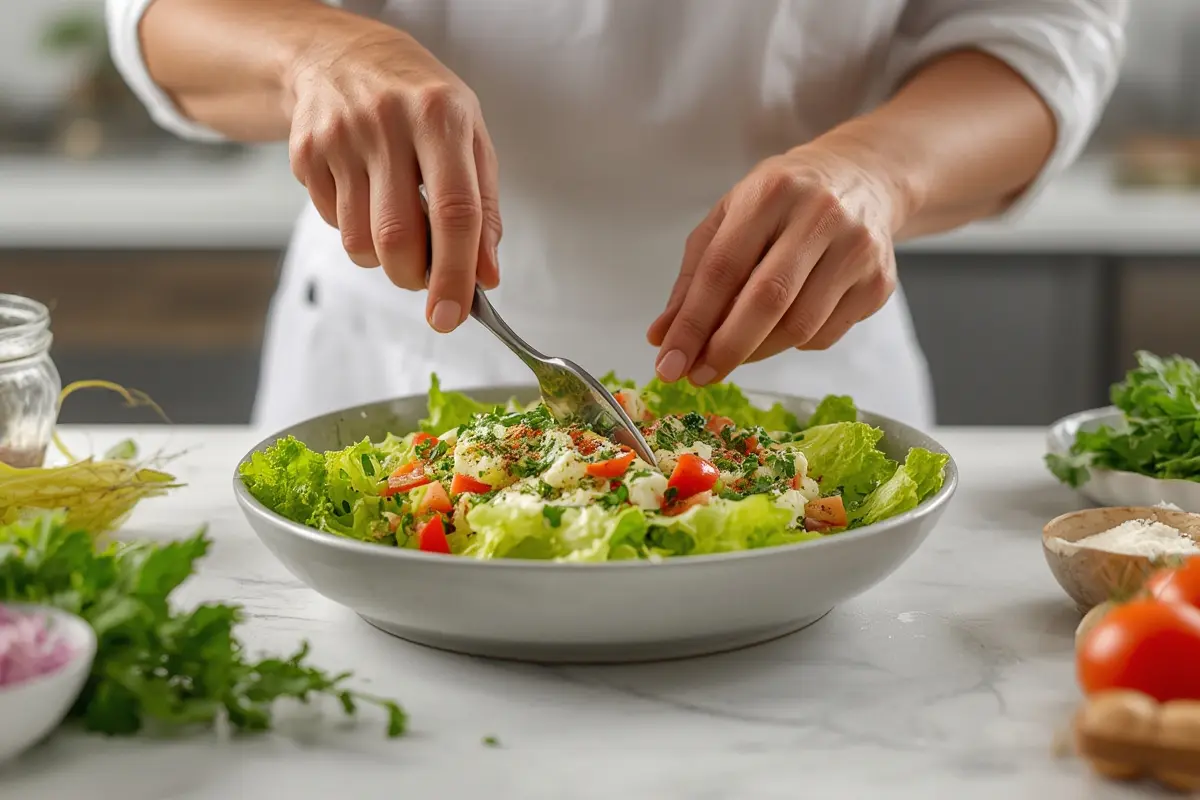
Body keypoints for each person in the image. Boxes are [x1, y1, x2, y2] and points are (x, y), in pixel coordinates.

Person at [107, 0, 1127, 431]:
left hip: (798, 366)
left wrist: (880, 170)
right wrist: (314, 51)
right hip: (385, 357)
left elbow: (1043, 31)